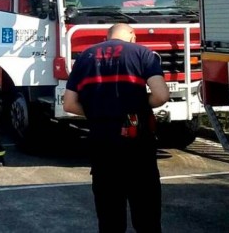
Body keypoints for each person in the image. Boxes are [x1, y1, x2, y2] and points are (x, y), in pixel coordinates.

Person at [63, 23, 170, 233]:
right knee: (146, 214)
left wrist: (100, 112)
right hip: (136, 141)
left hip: (102, 143)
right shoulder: (142, 53)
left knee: (109, 215)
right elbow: (161, 95)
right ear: (132, 35)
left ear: (107, 37)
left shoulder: (85, 57)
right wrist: (134, 107)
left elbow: (69, 104)